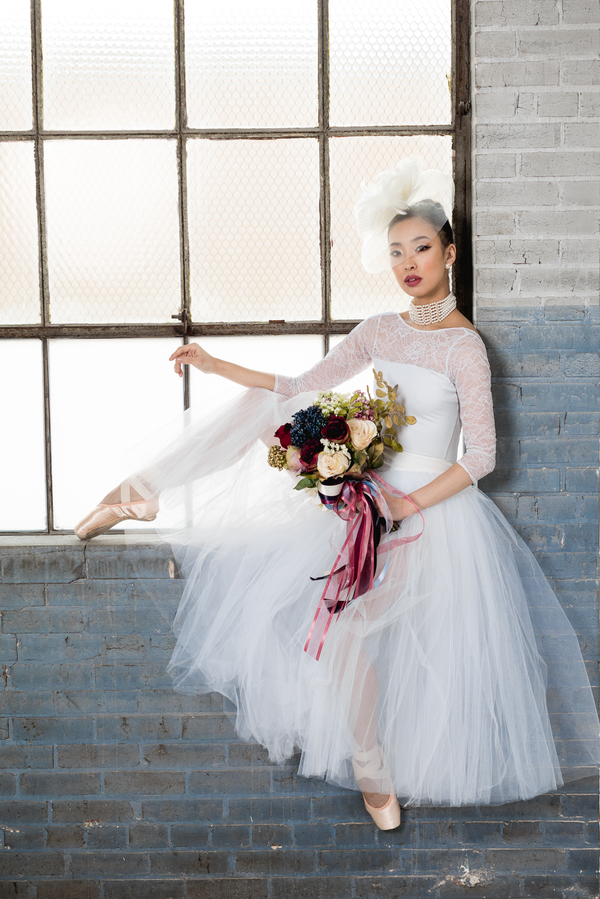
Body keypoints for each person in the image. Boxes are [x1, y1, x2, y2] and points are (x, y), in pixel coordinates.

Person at [75, 156, 599, 831]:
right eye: (395, 253)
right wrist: (213, 361)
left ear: (449, 253)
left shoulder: (465, 347)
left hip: (428, 510)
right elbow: (300, 383)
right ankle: (140, 492)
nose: (407, 263)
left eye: (420, 248)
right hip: (365, 490)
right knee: (260, 406)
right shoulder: (381, 329)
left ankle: (370, 763)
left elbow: (484, 456)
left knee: (350, 629)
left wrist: (407, 504)